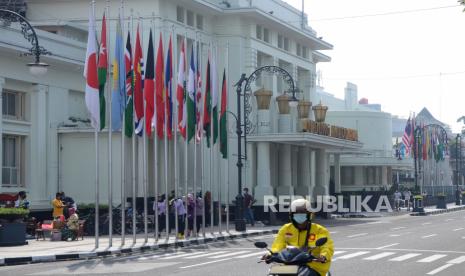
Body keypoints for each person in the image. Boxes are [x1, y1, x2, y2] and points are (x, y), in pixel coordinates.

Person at [264, 199, 334, 276]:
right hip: (290, 265)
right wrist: (269, 254)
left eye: (302, 214)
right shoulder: (286, 229)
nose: (299, 216)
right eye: (296, 214)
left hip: (313, 265)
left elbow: (327, 247)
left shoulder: (319, 230)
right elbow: (277, 246)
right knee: (272, 274)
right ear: (291, 216)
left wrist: (323, 256)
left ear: (309, 215)